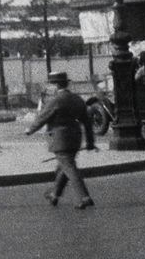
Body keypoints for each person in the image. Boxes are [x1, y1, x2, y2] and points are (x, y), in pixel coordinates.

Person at [26, 70, 97, 209]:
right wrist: (90, 141)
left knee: (69, 168)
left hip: (60, 139)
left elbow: (43, 117)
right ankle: (55, 195)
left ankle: (84, 196)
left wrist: (30, 129)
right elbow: (87, 122)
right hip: (75, 137)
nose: (48, 88)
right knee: (63, 167)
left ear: (56, 85)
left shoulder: (56, 100)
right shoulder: (77, 99)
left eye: (50, 84)